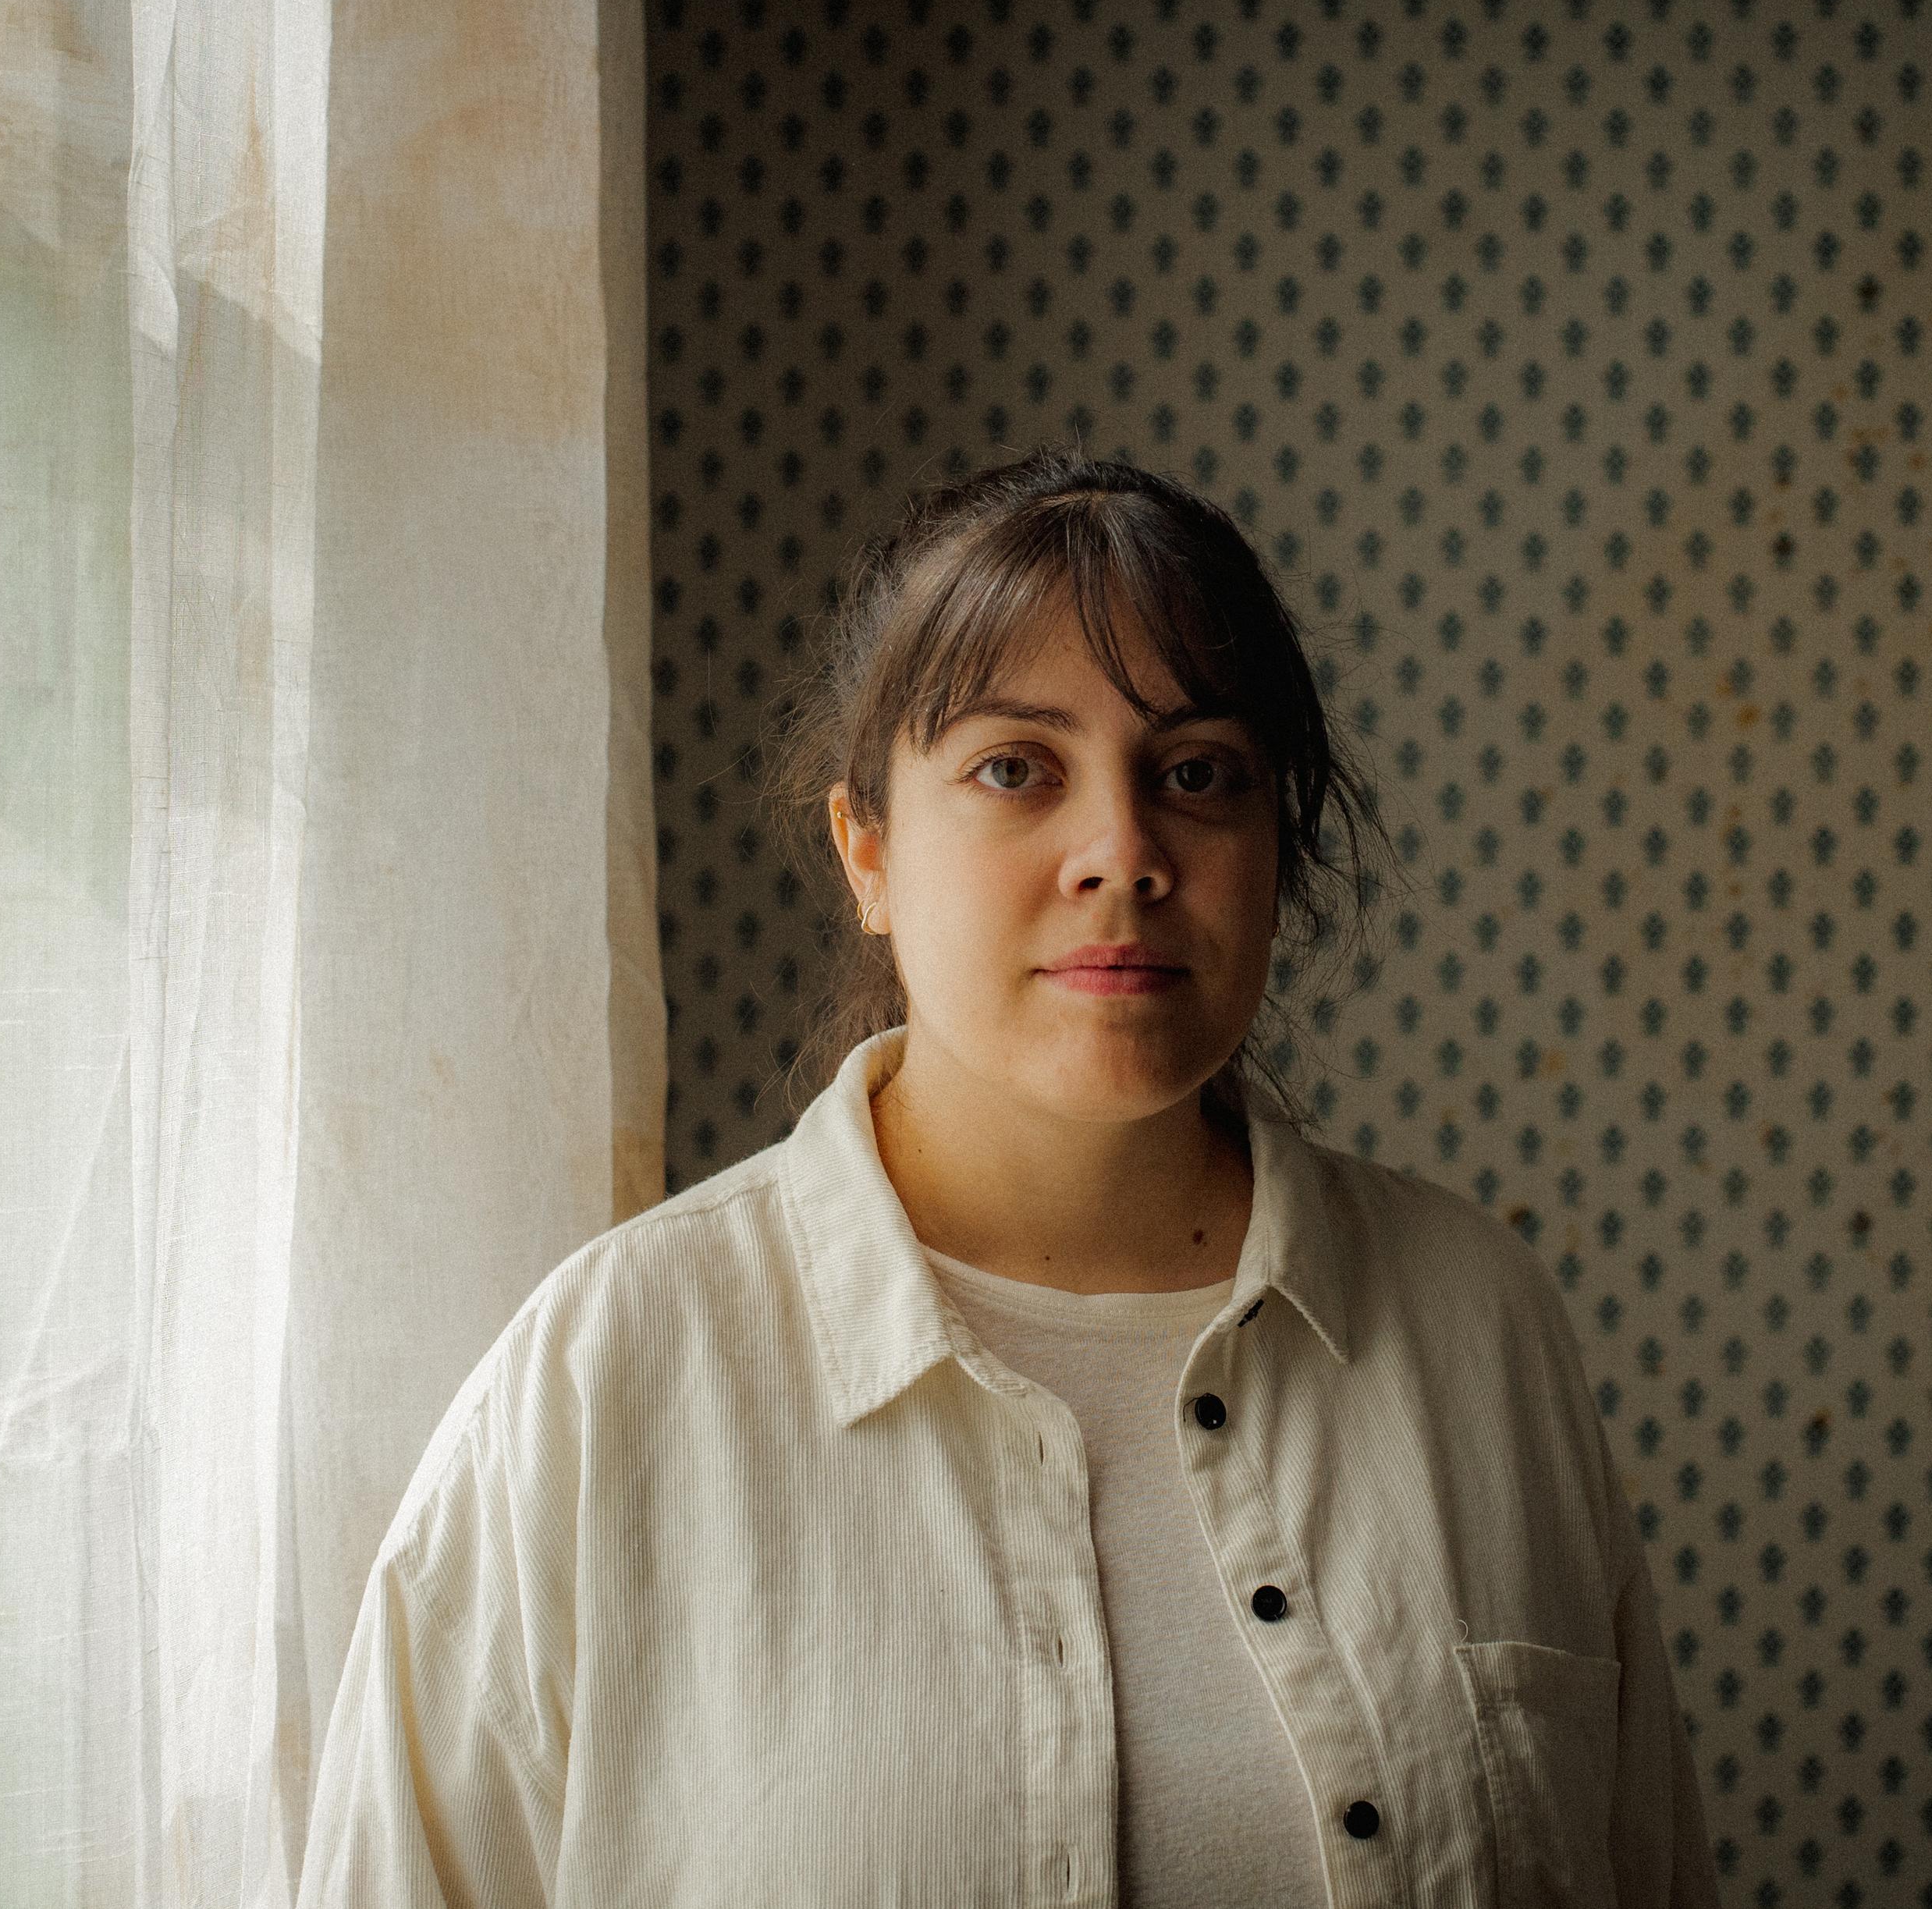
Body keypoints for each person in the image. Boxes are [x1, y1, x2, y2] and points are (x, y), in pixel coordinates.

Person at [296, 450, 1718, 1907]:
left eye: (1197, 774)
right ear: (868, 850)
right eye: (1014, 768)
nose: (1121, 850)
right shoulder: (605, 1377)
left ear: (1274, 849)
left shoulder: (1480, 1324)